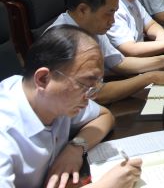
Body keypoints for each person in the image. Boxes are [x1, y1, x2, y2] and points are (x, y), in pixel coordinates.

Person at [0, 25, 142, 188]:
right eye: (85, 84)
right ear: (43, 79)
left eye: (95, 85)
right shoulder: (4, 130)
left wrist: (75, 148)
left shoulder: (53, 99)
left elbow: (104, 116)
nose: (91, 96)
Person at [48, 0, 164, 104]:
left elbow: (118, 63)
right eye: (109, 13)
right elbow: (97, 94)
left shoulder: (92, 26)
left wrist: (162, 61)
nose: (113, 20)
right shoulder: (62, 41)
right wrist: (150, 77)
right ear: (83, 10)